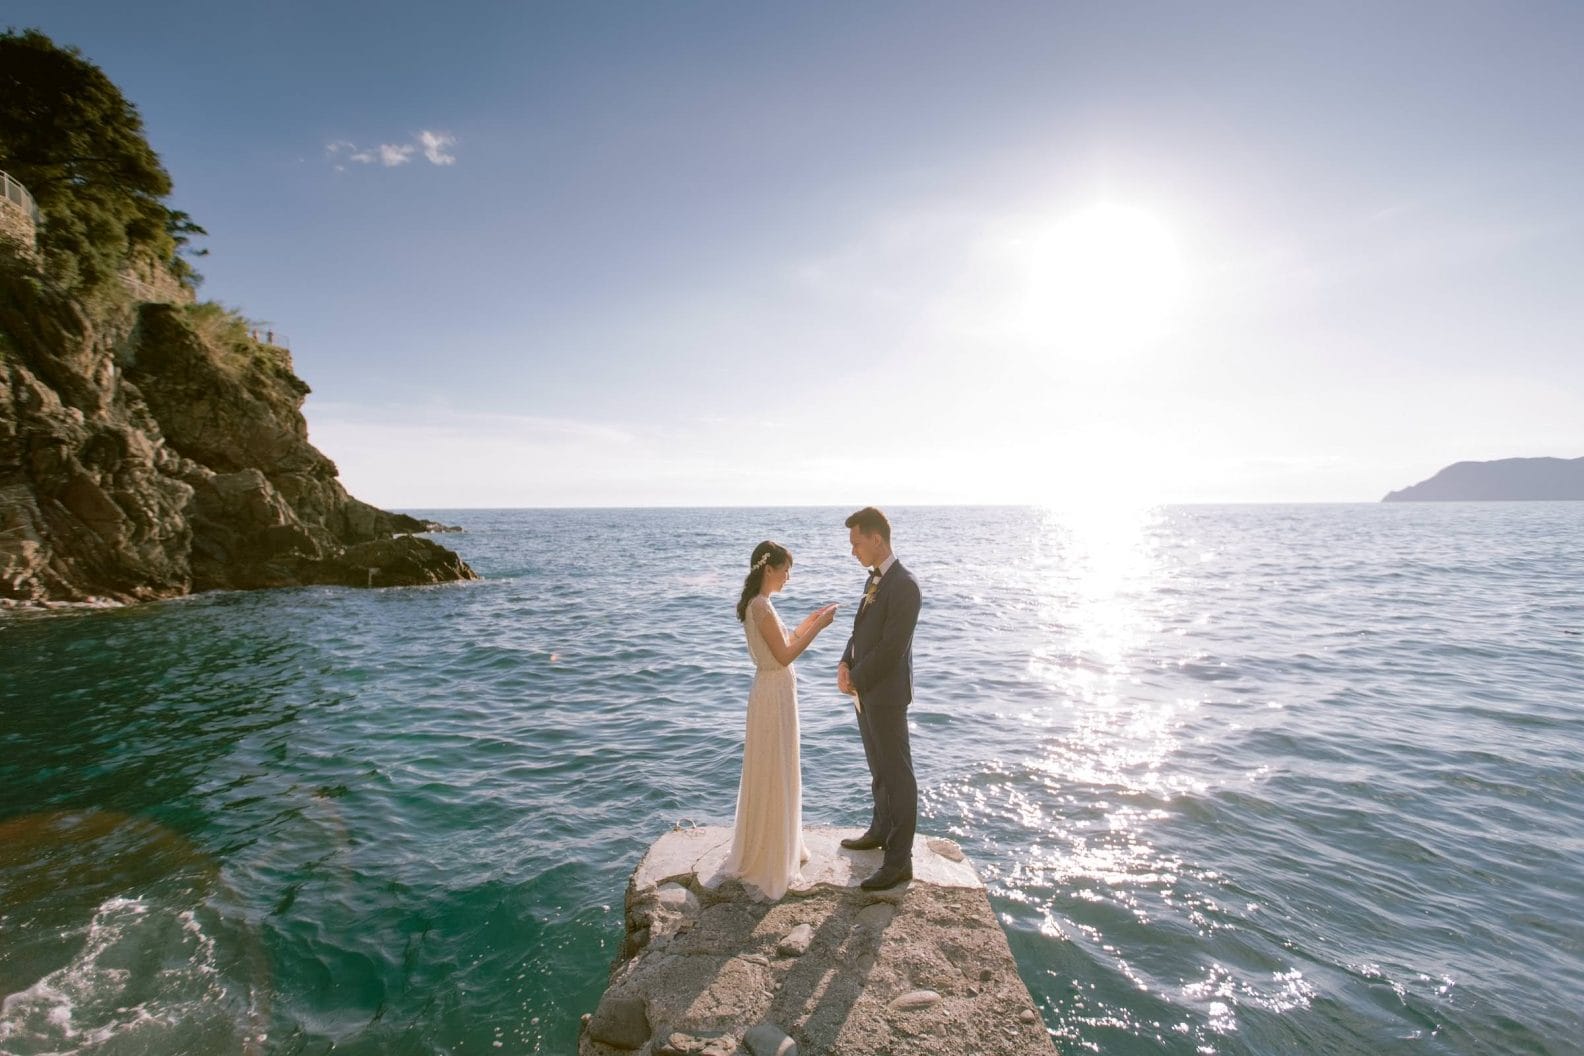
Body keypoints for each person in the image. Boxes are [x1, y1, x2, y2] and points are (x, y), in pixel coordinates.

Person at [722, 540, 838, 900]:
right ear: (768, 569)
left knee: (776, 765)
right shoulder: (760, 605)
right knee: (775, 765)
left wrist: (810, 621)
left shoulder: (761, 604)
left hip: (772, 691)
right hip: (773, 693)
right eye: (785, 570)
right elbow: (785, 655)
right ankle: (771, 854)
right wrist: (819, 629)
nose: (788, 577)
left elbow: (784, 641)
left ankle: (776, 843)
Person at [835, 507, 923, 890]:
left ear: (876, 539)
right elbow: (860, 632)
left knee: (898, 775)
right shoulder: (874, 580)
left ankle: (899, 861)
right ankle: (880, 830)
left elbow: (891, 649)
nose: (853, 551)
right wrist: (844, 662)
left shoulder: (905, 585)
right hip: (865, 692)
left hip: (886, 695)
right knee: (879, 769)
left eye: (856, 543)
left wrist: (855, 677)